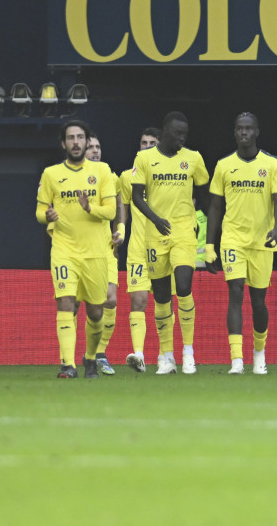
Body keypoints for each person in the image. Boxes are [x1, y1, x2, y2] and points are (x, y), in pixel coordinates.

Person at [206, 113, 277, 375]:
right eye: (240, 129)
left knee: (259, 301)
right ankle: (237, 360)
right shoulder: (223, 165)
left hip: (262, 241)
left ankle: (259, 353)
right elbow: (215, 207)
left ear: (256, 132)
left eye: (248, 129)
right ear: (234, 133)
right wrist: (210, 245)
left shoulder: (272, 164)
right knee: (236, 293)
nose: (244, 133)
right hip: (233, 240)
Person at [131, 112, 210, 375]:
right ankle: (166, 356)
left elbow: (205, 194)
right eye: (178, 133)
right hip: (155, 235)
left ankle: (188, 352)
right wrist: (155, 219)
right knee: (162, 296)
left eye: (185, 134)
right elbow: (136, 196)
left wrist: (209, 236)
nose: (182, 138)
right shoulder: (144, 158)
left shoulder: (193, 158)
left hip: (184, 232)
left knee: (184, 286)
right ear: (165, 131)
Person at [36, 120, 117, 378]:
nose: (76, 142)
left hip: (95, 252)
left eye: (80, 137)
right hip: (64, 250)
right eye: (70, 138)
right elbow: (39, 211)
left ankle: (91, 357)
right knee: (66, 303)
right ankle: (67, 365)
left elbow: (112, 211)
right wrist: (46, 216)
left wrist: (89, 208)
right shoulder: (50, 174)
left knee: (95, 312)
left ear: (86, 141)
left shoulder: (102, 171)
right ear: (63, 143)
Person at [118, 128, 162, 372]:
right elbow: (122, 205)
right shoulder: (127, 177)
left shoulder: (167, 175)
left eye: (152, 143)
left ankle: (167, 356)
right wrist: (122, 230)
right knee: (139, 299)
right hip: (137, 248)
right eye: (143, 142)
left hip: (164, 247)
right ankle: (139, 355)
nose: (146, 146)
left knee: (164, 302)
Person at [84, 134, 125, 375]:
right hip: (78, 249)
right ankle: (71, 359)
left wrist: (119, 230)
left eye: (98, 146)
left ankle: (99, 353)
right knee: (83, 305)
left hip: (106, 248)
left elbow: (119, 206)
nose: (95, 151)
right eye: (90, 147)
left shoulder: (111, 177)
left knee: (110, 299)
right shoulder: (70, 178)